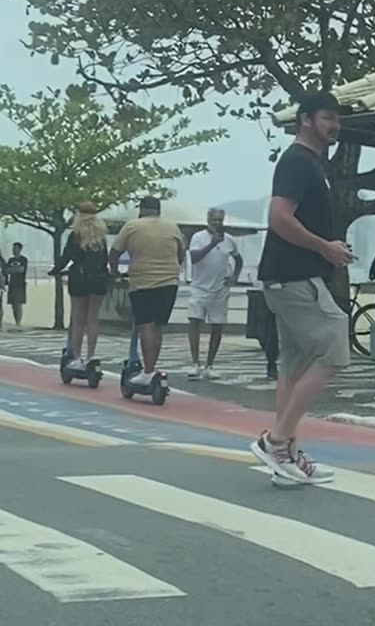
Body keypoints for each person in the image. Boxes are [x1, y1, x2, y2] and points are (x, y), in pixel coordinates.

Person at [250, 91, 354, 486]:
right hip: (294, 277)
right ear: (306, 119)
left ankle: (287, 456)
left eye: (336, 119)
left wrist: (328, 251)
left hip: (288, 276)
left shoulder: (310, 163)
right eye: (327, 118)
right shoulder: (298, 162)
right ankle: (276, 441)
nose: (335, 126)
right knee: (334, 346)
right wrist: (324, 247)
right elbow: (278, 218)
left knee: (293, 366)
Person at [109, 196, 186, 387]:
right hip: (169, 282)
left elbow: (114, 252)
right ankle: (151, 367)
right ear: (159, 210)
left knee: (145, 325)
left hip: (143, 282)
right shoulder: (172, 227)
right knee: (158, 326)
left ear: (141, 210)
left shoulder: (132, 226)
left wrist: (115, 271)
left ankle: (148, 371)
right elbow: (181, 253)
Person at [49, 202, 111, 370]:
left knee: (78, 320)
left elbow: (66, 257)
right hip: (98, 279)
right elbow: (104, 259)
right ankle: (91, 355)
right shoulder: (101, 237)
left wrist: (55, 270)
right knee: (92, 319)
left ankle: (76, 357)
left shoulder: (75, 235)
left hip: (79, 278)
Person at [185, 208, 243, 379]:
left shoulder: (229, 240)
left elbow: (238, 259)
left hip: (220, 289)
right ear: (208, 220)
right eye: (214, 220)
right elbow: (194, 258)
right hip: (199, 287)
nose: (217, 223)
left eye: (220, 220)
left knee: (217, 326)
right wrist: (212, 244)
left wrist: (234, 277)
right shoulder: (198, 237)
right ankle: (195, 363)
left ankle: (210, 365)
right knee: (194, 322)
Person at [5, 242, 29, 330]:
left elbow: (21, 269)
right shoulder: (10, 260)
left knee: (18, 303)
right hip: (12, 283)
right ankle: (16, 321)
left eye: (16, 248)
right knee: (13, 304)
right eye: (13, 248)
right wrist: (13, 270)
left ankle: (19, 322)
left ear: (20, 249)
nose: (14, 250)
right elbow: (7, 271)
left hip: (20, 283)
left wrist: (12, 270)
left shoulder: (23, 259)